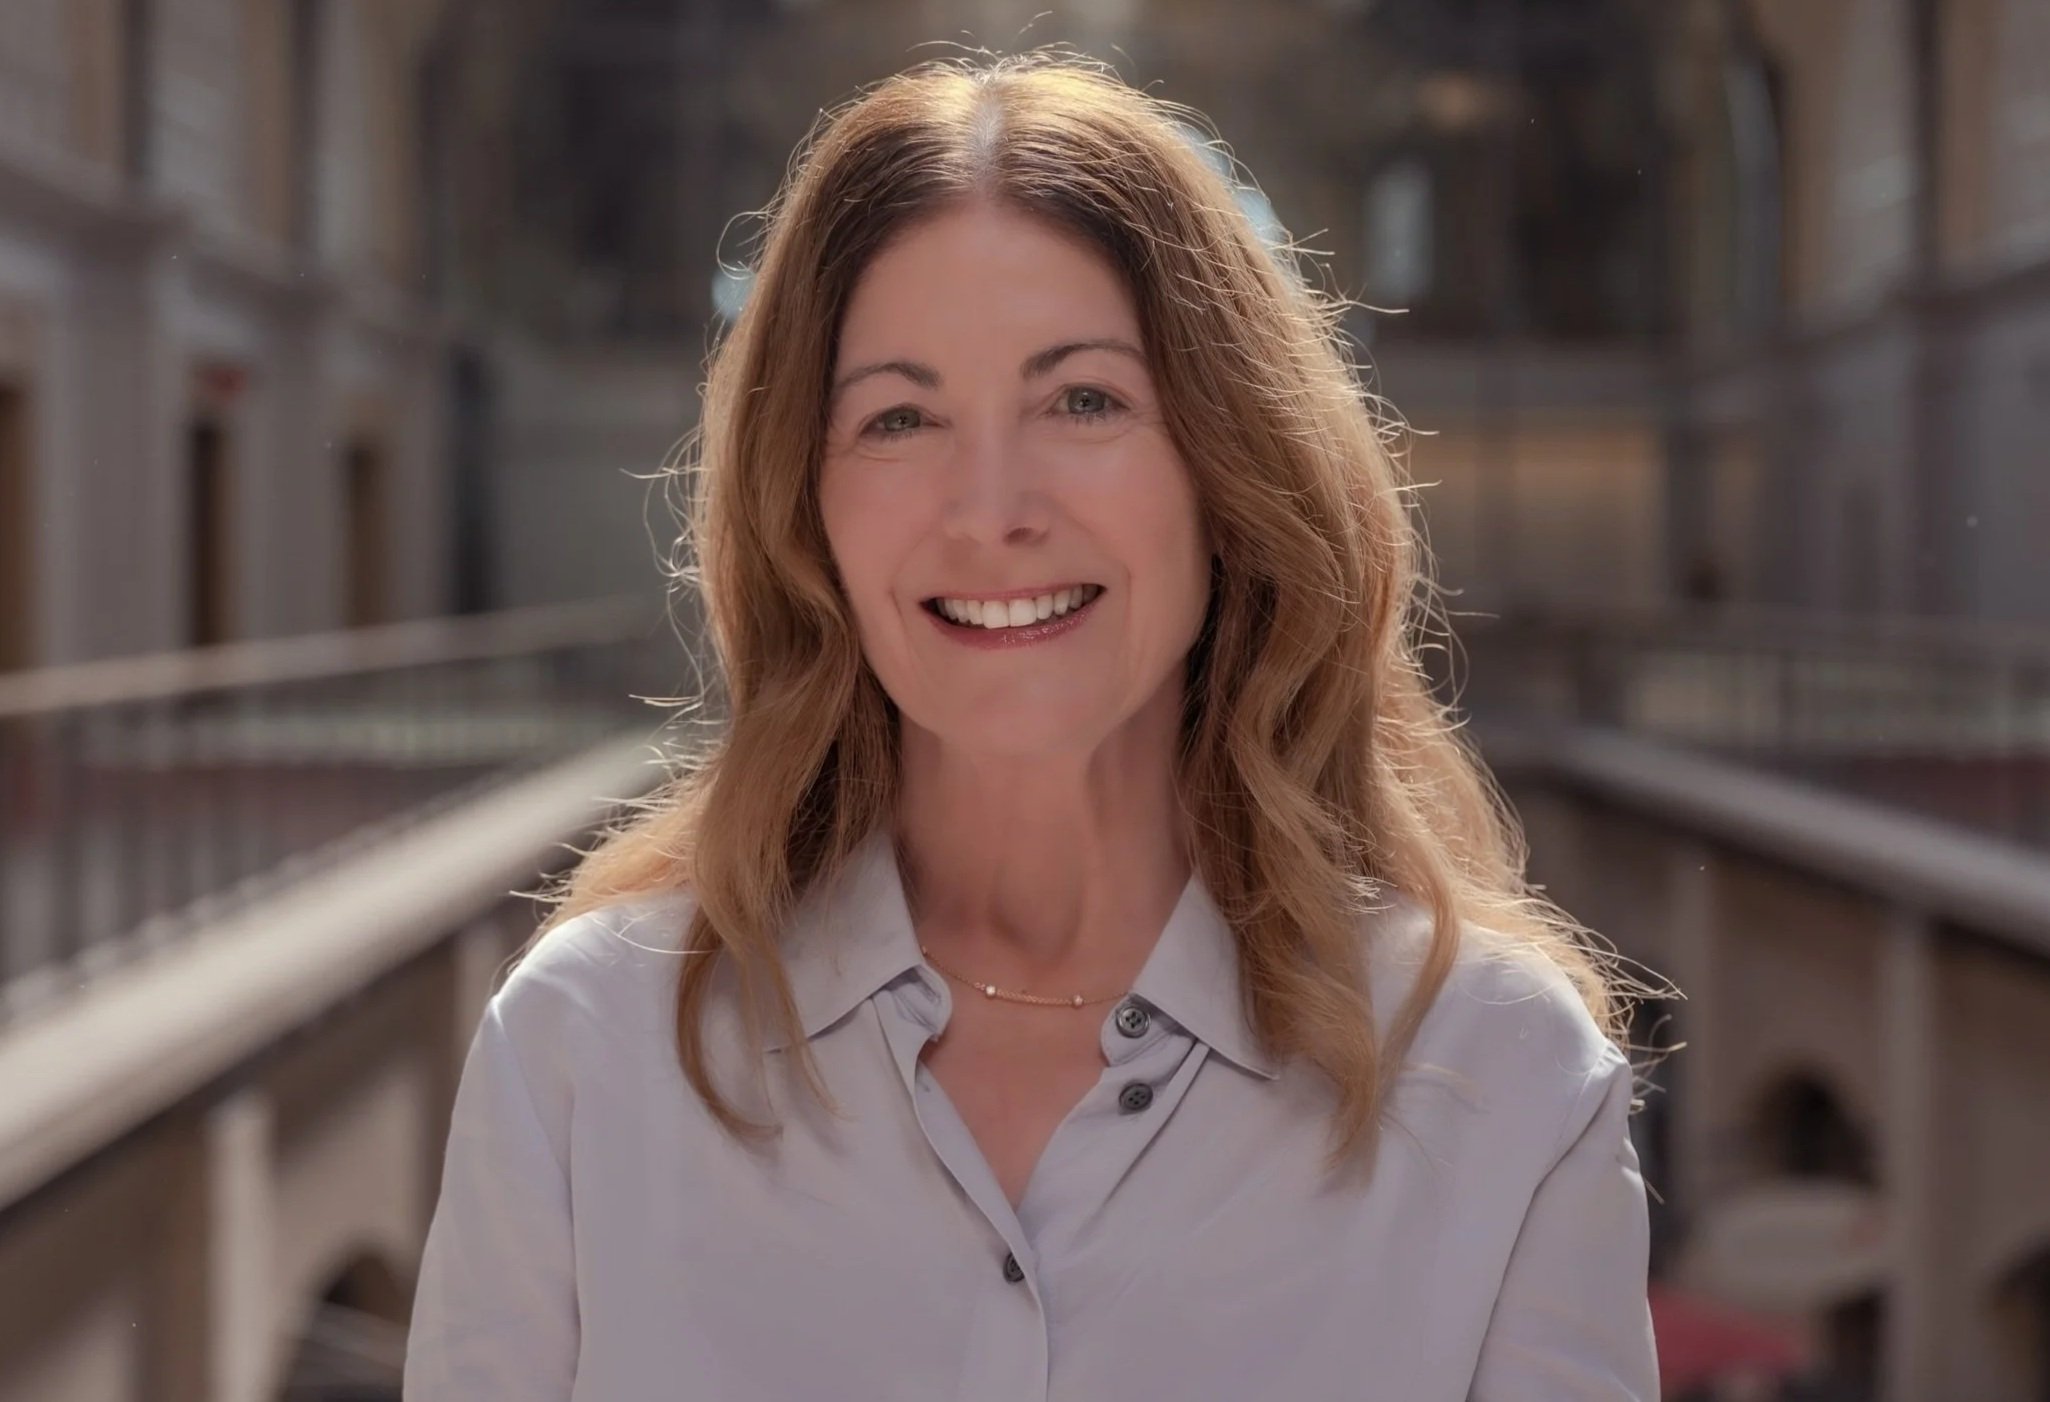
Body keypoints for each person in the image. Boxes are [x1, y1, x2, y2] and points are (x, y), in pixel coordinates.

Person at [403, 51, 1661, 1401]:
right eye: (900, 417)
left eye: (1083, 400)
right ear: (806, 513)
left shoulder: (1501, 1079)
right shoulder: (585, 1052)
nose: (991, 509)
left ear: (1228, 468)